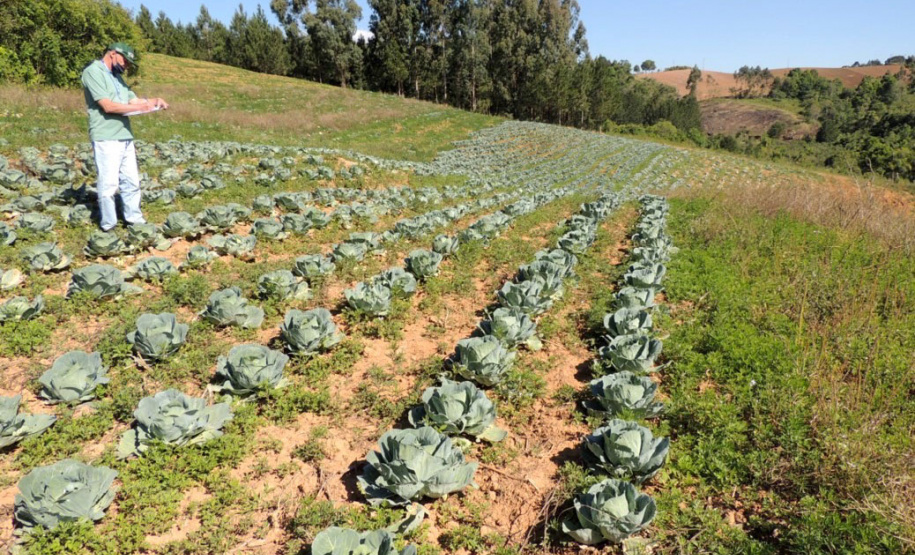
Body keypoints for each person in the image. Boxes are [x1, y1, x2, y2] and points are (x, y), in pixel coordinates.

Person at [80, 43, 168, 231]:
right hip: (106, 136)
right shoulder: (93, 72)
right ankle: (108, 225)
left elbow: (133, 100)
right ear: (113, 54)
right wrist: (140, 108)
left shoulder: (117, 77)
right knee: (109, 184)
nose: (126, 65)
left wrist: (154, 102)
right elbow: (108, 106)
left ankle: (134, 220)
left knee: (131, 181)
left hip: (125, 135)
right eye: (125, 61)